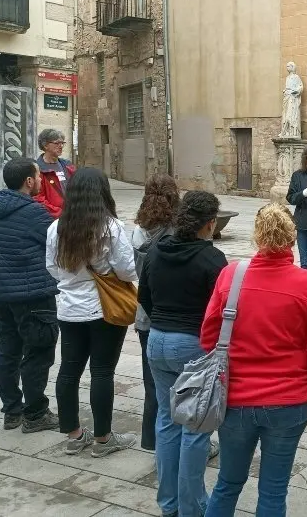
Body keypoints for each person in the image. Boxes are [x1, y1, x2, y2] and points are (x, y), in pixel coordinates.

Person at [203, 204, 307, 517]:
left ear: (257, 237)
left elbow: (209, 336)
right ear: (292, 239)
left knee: (227, 482)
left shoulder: (231, 276)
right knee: (274, 490)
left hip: (235, 399)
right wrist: (305, 375)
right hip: (288, 400)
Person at [139, 190, 228, 517]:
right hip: (191, 343)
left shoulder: (156, 251)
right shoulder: (212, 259)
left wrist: (163, 319)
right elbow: (222, 309)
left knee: (167, 419)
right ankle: (193, 506)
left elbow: (144, 296)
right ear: (208, 223)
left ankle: (170, 504)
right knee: (195, 426)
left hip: (157, 340)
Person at [46, 167, 137, 457]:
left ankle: (74, 435)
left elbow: (51, 267)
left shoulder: (56, 227)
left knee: (69, 370)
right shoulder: (110, 227)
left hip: (69, 308)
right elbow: (127, 269)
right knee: (102, 371)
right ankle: (103, 438)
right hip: (104, 309)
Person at [0, 157, 60, 433]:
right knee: (39, 351)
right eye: (39, 177)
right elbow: (59, 242)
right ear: (29, 181)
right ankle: (36, 413)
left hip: (4, 293)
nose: (42, 181)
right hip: (33, 294)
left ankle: (12, 411)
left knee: (8, 350)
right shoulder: (34, 214)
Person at [131, 174, 180, 451]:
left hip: (146, 315)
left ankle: (151, 438)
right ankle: (177, 438)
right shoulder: (176, 231)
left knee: (152, 382)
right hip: (174, 314)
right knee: (180, 382)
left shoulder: (139, 229)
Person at [35, 128, 76, 218]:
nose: (61, 146)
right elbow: (38, 199)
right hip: (52, 219)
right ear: (45, 145)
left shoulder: (68, 165)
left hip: (72, 215)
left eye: (62, 143)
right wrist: (60, 213)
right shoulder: (38, 169)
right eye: (57, 143)